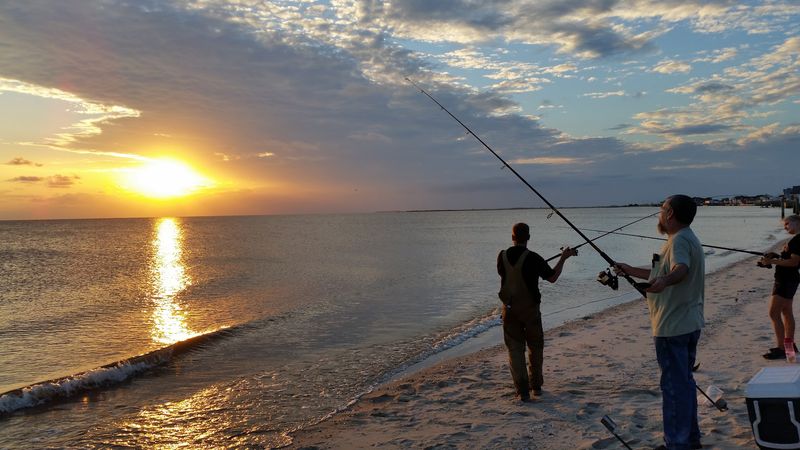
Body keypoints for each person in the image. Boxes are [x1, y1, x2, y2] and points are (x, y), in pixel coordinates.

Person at [614, 195, 704, 450]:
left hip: (672, 325)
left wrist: (665, 281)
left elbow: (680, 269)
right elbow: (663, 273)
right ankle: (690, 439)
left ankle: (677, 443)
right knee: (684, 383)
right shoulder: (687, 238)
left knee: (674, 387)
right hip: (687, 322)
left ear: (671, 214)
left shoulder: (679, 241)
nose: (659, 214)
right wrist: (631, 270)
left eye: (662, 209)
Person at [497, 222, 576, 402]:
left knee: (515, 350)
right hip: (531, 310)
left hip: (509, 310)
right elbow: (552, 277)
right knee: (535, 347)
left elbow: (506, 277)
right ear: (529, 238)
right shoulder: (534, 258)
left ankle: (522, 391)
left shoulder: (501, 256)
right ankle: (536, 387)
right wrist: (564, 257)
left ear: (512, 237)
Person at [760, 214, 800, 360]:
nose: (785, 227)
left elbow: (794, 262)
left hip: (785, 281)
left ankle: (782, 348)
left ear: (796, 223)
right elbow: (790, 260)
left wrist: (774, 261)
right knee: (786, 312)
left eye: (787, 224)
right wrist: (775, 257)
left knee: (773, 313)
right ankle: (790, 347)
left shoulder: (797, 240)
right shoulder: (796, 240)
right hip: (790, 280)